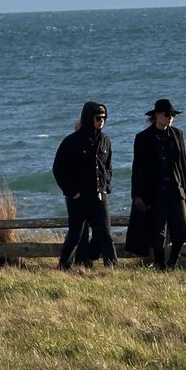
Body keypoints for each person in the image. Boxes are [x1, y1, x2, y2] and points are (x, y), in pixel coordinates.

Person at [126, 98, 186, 269]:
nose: (170, 118)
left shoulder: (178, 134)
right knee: (157, 232)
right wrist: (137, 194)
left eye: (173, 115)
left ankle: (172, 262)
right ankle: (160, 264)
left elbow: (184, 163)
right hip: (155, 192)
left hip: (177, 190)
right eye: (167, 114)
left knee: (183, 229)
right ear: (156, 116)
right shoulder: (143, 138)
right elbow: (137, 169)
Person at [51, 101, 117, 269]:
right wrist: (72, 191)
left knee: (105, 233)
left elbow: (107, 167)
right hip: (79, 197)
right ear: (88, 118)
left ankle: (112, 268)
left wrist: (105, 187)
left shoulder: (105, 141)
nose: (101, 121)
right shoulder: (71, 142)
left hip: (99, 195)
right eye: (97, 117)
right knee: (75, 234)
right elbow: (58, 168)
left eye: (104, 118)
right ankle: (64, 267)